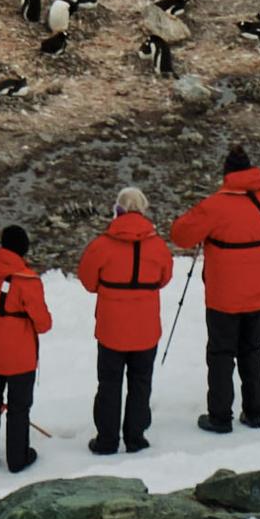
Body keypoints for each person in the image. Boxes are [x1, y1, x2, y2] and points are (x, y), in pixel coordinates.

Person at [171, 148, 260, 434]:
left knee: (221, 354)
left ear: (227, 174)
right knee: (253, 350)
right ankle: (255, 411)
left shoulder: (216, 205)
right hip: (258, 291)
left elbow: (181, 236)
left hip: (223, 296)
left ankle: (220, 416)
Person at [76, 187, 174, 457]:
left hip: (111, 329)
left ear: (117, 210)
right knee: (141, 382)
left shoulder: (102, 245)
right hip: (146, 329)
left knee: (109, 383)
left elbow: (87, 280)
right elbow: (165, 277)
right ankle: (135, 437)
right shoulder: (157, 246)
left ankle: (107, 440)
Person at [0, 224, 52, 473]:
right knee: (18, 407)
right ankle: (17, 458)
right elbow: (43, 323)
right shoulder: (28, 280)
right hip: (20, 353)